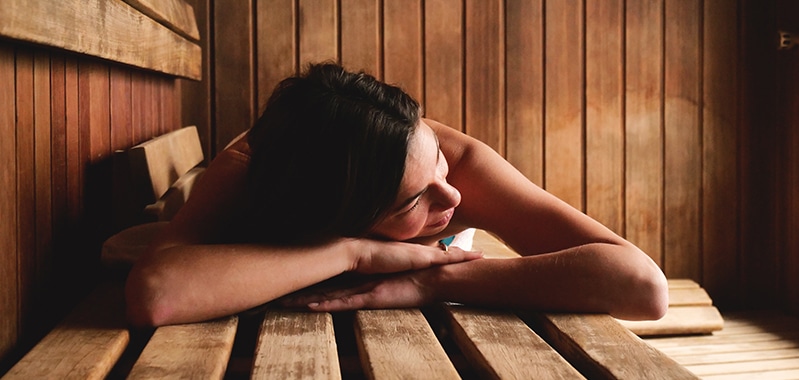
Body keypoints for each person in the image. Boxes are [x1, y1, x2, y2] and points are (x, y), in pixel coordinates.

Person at [125, 63, 668, 327]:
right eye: (414, 202)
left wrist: (436, 280)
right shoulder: (251, 170)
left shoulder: (460, 165)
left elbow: (642, 286)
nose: (451, 195)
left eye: (436, 162)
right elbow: (157, 294)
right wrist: (351, 253)